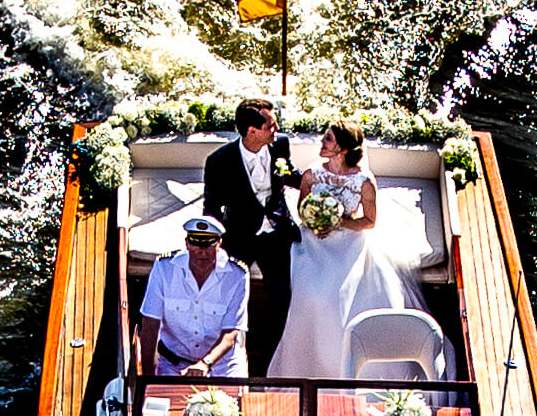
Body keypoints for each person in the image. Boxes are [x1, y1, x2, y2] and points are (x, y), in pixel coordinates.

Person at [267, 119, 427, 378]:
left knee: (341, 300)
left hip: (350, 243)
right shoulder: (311, 174)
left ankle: (346, 370)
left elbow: (369, 221)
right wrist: (316, 222)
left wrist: (338, 222)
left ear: (342, 148)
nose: (322, 141)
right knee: (309, 293)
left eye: (328, 138)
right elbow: (302, 209)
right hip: (313, 241)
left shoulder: (364, 181)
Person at [202, 98, 297, 369]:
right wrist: (212, 244)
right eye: (271, 125)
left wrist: (319, 182)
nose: (276, 128)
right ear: (252, 131)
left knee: (282, 295)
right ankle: (227, 353)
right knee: (227, 293)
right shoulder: (219, 161)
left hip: (276, 233)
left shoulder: (280, 145)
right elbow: (211, 207)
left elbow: (290, 174)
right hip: (241, 234)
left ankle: (269, 358)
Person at [136, 213, 250, 377]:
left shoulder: (237, 275)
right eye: (196, 244)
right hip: (173, 366)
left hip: (223, 367)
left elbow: (230, 333)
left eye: (209, 245)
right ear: (187, 243)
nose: (202, 252)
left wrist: (205, 363)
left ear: (219, 244)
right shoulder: (164, 268)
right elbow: (150, 324)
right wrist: (148, 378)